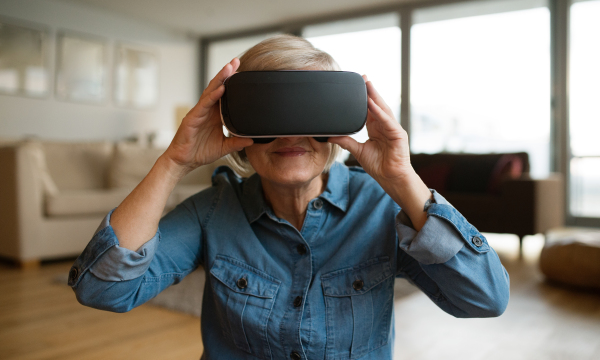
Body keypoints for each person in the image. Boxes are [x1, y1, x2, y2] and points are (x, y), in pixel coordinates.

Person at [69, 34, 509, 360]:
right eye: (270, 111)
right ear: (239, 124)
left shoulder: (382, 209)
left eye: (309, 110)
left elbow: (486, 298)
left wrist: (401, 177)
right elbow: (102, 291)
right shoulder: (214, 212)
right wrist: (173, 162)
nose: (290, 133)